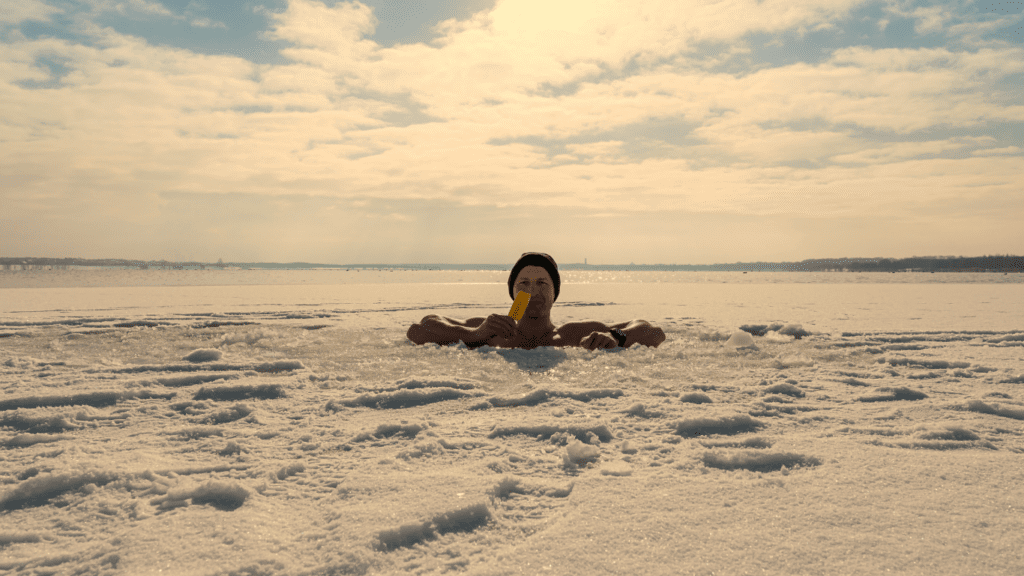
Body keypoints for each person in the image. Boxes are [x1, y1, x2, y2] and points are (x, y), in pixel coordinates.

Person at [407, 252, 666, 350]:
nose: (533, 291)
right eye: (524, 284)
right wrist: (474, 334)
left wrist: (616, 337)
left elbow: (650, 330)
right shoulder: (491, 331)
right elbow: (420, 329)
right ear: (513, 294)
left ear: (555, 293)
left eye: (542, 283)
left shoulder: (572, 334)